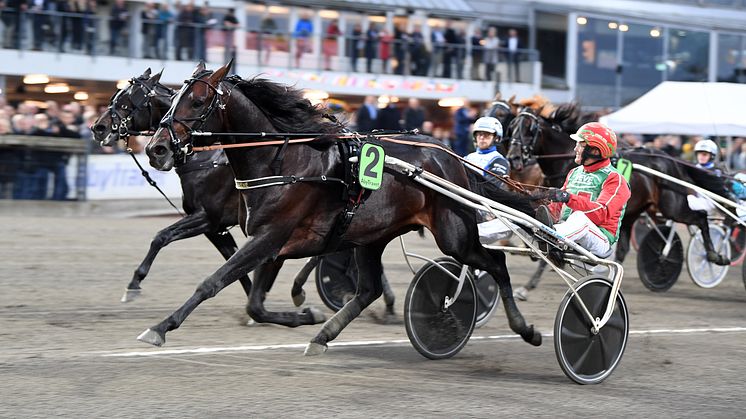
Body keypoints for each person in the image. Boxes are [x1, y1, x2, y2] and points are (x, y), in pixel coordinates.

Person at [531, 122, 631, 261]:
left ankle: (549, 236)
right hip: (570, 235)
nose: (575, 148)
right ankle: (490, 234)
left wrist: (568, 197)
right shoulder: (574, 172)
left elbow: (601, 214)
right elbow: (556, 209)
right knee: (525, 212)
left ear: (595, 151)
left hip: (600, 243)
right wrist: (535, 206)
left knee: (579, 217)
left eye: (580, 144)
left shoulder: (615, 179)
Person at [464, 117, 511, 244]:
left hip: (485, 210)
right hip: (466, 202)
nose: (482, 138)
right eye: (479, 134)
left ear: (496, 138)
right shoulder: (468, 157)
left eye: (486, 135)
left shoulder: (499, 161)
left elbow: (488, 188)